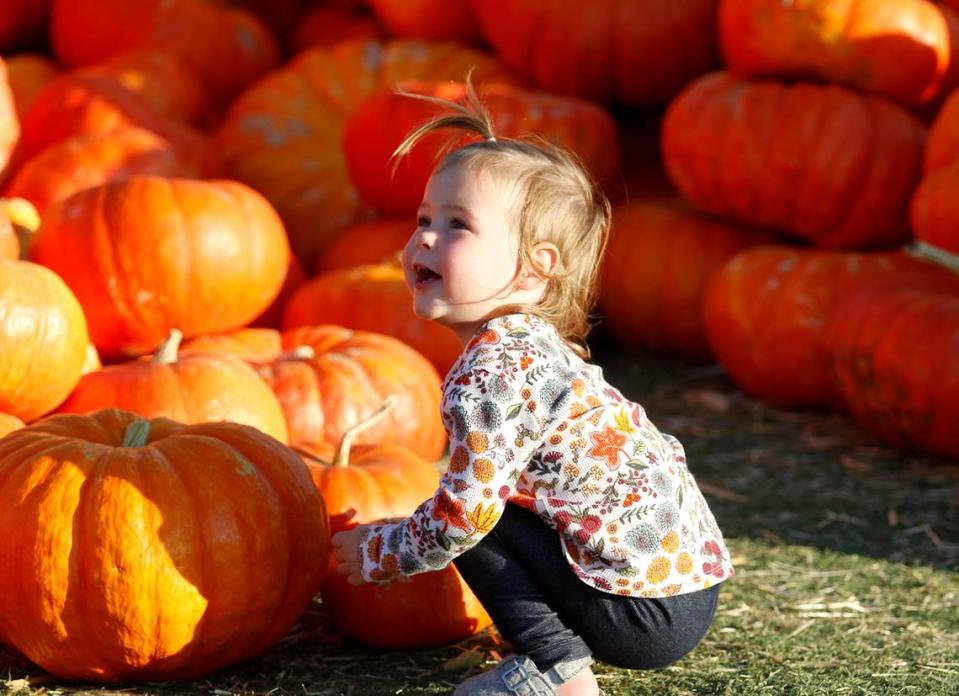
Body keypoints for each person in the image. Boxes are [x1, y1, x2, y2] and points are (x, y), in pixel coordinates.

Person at [331, 81, 734, 696]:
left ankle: (557, 674)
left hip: (641, 613)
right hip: (685, 587)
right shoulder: (538, 349)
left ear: (535, 265)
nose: (426, 238)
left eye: (457, 225)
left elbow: (462, 519)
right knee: (482, 505)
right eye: (423, 219)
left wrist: (380, 552)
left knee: (468, 515)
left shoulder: (489, 375)